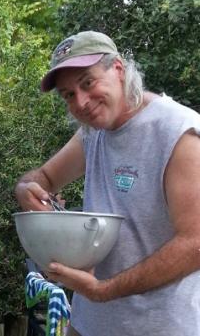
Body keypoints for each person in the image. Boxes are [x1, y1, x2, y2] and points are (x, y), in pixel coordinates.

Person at [14, 30, 200, 335]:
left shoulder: (178, 131)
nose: (82, 102)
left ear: (118, 69)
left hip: (160, 326)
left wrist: (104, 290)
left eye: (88, 82)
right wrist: (26, 190)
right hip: (89, 322)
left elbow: (195, 244)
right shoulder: (92, 133)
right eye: (69, 95)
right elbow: (43, 178)